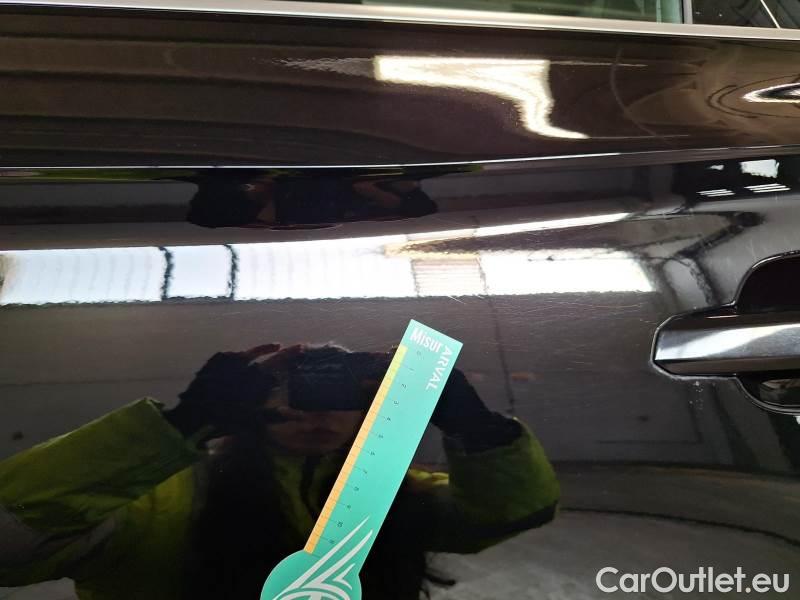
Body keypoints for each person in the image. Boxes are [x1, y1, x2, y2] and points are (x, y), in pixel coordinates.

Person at [0, 344, 560, 600]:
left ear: (370, 406)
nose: (317, 414)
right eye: (293, 392)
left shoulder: (398, 491)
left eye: (339, 395)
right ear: (249, 403)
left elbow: (511, 513)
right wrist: (176, 427)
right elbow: (10, 542)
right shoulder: (156, 501)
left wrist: (476, 426)